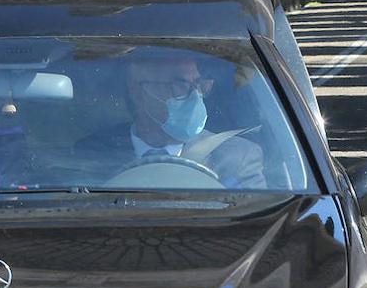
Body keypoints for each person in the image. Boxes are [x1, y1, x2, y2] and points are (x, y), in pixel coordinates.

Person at [75, 54, 267, 189]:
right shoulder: (93, 152)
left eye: (198, 85)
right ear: (137, 92)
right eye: (180, 85)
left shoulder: (237, 158)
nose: (195, 96)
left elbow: (253, 224)